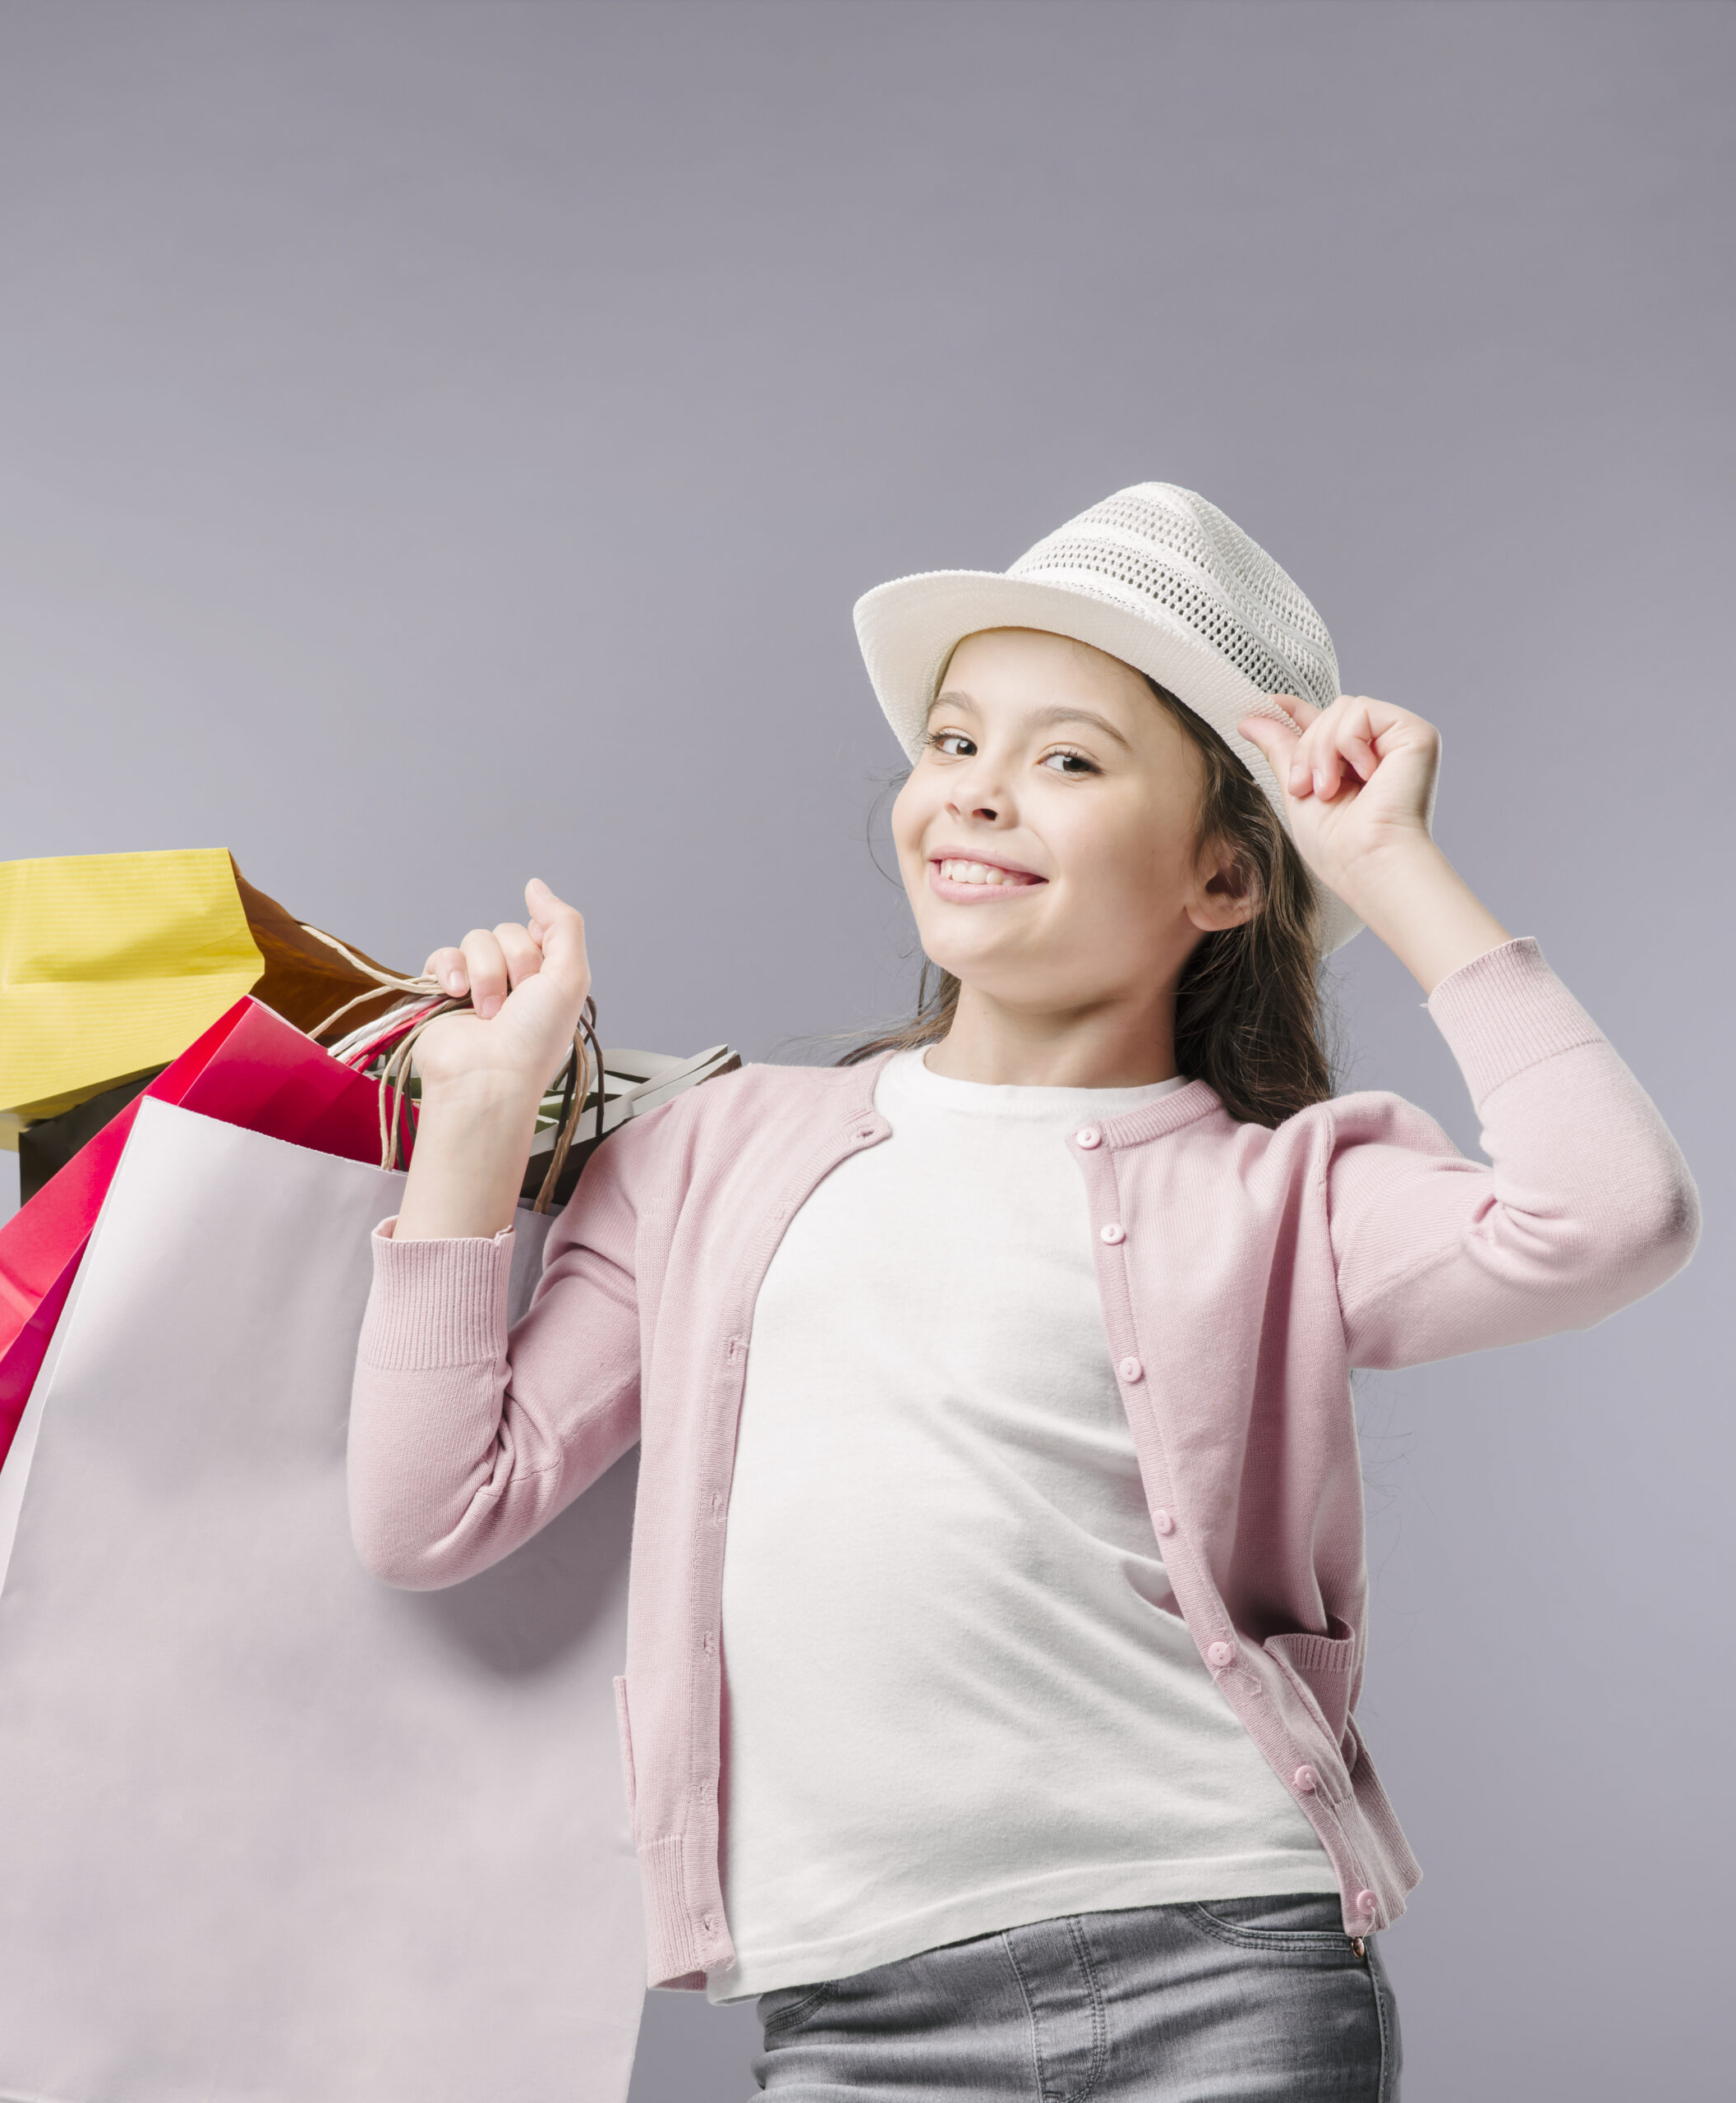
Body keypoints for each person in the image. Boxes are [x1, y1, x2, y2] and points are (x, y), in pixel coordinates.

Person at [345, 483, 1698, 2100]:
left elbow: (1611, 1215)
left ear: (1221, 877)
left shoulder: (1283, 1192)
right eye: (952, 741)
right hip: (848, 2009)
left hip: (1223, 1962)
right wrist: (479, 1127)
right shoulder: (714, 1152)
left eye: (1064, 758)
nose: (977, 794)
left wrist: (1387, 866)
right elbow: (429, 1509)